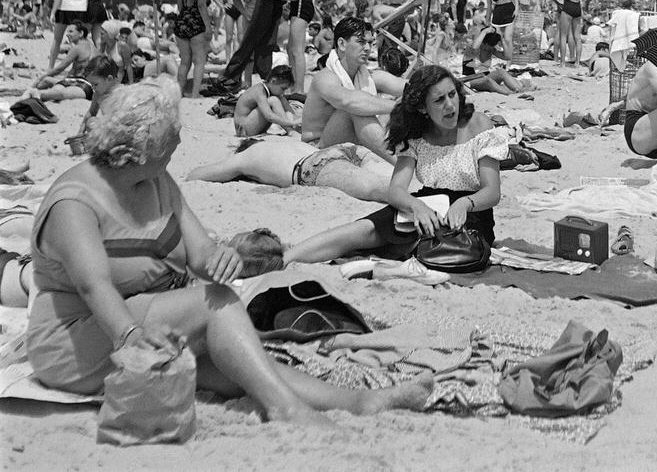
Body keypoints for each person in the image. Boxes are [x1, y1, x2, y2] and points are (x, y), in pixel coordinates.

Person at [24, 80, 432, 419]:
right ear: (142, 147)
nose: (180, 141)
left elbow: (202, 255)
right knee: (214, 304)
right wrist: (131, 338)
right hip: (78, 337)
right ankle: (285, 409)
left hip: (146, 314)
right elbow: (94, 287)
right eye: (171, 136)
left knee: (242, 362)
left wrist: (224, 259)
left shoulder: (155, 181)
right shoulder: (75, 202)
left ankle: (358, 403)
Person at [282, 65, 507, 264]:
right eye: (439, 100)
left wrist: (464, 204)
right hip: (427, 203)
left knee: (425, 245)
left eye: (452, 95)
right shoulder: (417, 135)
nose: (450, 105)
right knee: (365, 229)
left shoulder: (478, 124)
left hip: (472, 212)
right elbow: (396, 190)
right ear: (422, 108)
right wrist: (415, 206)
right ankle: (285, 259)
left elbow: (492, 191)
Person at [300, 17, 401, 161]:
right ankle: (399, 165)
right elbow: (349, 102)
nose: (367, 48)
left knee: (411, 99)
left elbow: (407, 86)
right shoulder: (325, 78)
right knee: (357, 108)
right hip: (318, 148)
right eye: (361, 42)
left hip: (348, 141)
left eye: (370, 43)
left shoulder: (367, 75)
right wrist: (400, 106)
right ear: (341, 44)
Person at [187, 136, 394, 202]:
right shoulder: (280, 140)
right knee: (403, 183)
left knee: (378, 189)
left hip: (312, 165)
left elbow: (195, 176)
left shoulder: (246, 156)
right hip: (343, 149)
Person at [267, 0, 318, 96]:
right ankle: (293, 84)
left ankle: (299, 89)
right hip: (304, 4)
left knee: (296, 51)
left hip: (301, 4)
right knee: (291, 49)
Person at [175, 0, 218, 99]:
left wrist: (185, 17)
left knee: (184, 62)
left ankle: (178, 92)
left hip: (182, 20)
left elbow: (180, 4)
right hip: (197, 21)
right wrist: (207, 26)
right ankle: (194, 94)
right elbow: (201, 4)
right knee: (199, 61)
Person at [233, 66, 300, 138]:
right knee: (274, 100)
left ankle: (295, 129)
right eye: (283, 88)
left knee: (280, 98)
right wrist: (292, 122)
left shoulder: (271, 88)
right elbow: (269, 116)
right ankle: (290, 131)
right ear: (273, 81)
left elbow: (287, 106)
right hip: (243, 129)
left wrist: (296, 119)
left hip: (251, 125)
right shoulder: (259, 91)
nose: (283, 92)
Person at [607, 0, 640, 71]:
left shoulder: (617, 13)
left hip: (617, 38)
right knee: (632, 54)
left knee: (618, 54)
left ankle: (618, 67)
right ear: (632, 5)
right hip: (629, 38)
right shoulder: (633, 15)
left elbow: (611, 25)